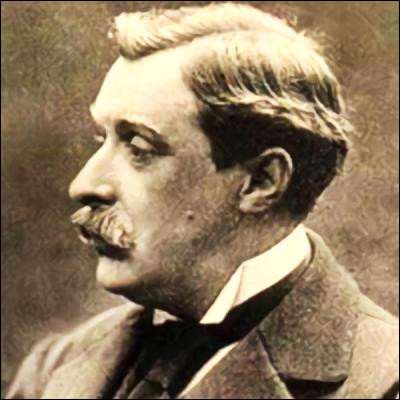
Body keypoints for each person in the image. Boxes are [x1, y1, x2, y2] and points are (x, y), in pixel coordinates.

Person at [6, 4, 399, 399]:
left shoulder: (383, 384)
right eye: (102, 139)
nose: (84, 184)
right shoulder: (53, 368)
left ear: (261, 182)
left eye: (138, 148)